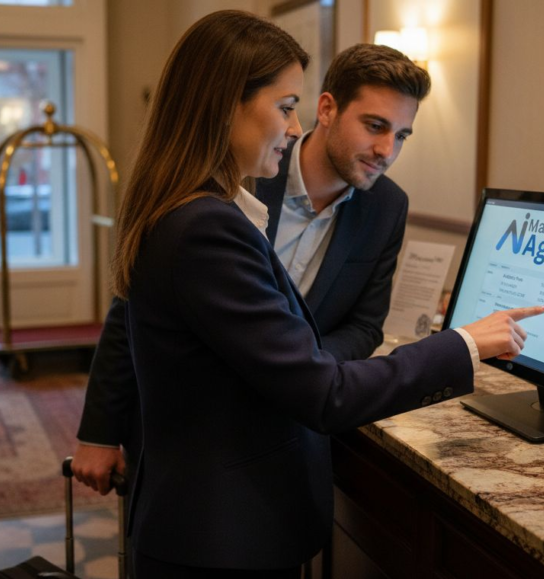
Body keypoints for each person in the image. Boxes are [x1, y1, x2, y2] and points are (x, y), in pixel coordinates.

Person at [80, 10, 544, 579]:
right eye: (284, 106)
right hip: (219, 533)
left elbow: (347, 333)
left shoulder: (202, 211)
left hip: (220, 520)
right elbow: (323, 393)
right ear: (228, 103)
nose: (294, 126)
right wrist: (463, 343)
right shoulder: (208, 226)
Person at [74, 43, 433, 496]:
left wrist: (300, 367)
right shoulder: (248, 166)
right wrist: (99, 430)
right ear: (327, 109)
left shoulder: (387, 206)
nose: (386, 150)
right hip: (190, 436)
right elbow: (132, 305)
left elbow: (365, 325)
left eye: (402, 135)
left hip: (289, 436)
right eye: (375, 126)